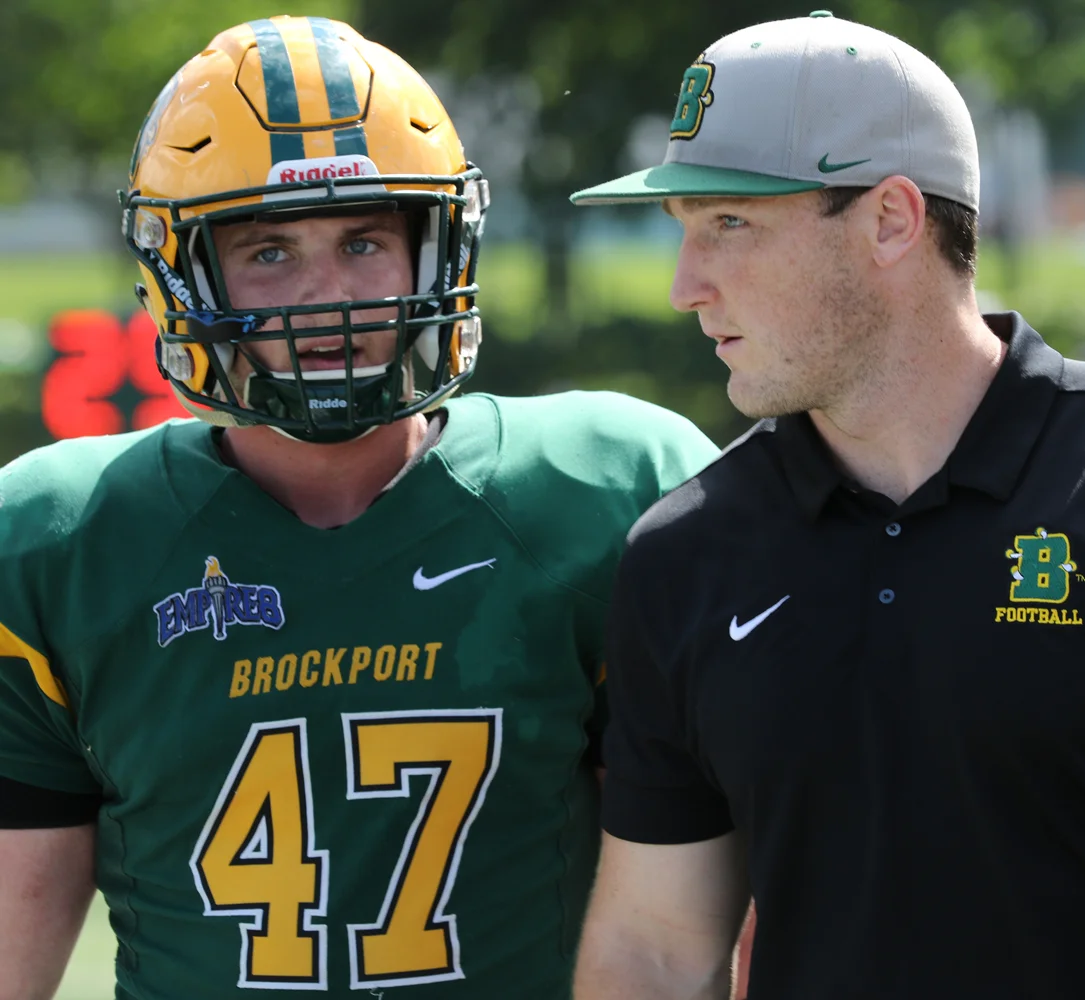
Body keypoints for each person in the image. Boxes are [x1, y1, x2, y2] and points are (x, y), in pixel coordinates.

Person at [567, 12, 1085, 999]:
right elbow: (651, 945)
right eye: (682, 229)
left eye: (730, 223)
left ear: (893, 221)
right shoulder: (684, 552)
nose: (687, 285)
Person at [0, 17, 718, 999]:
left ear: (438, 248)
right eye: (269, 253)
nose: (327, 295)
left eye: (365, 240)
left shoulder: (607, 491)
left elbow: (707, 919)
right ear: (181, 276)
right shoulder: (58, 542)